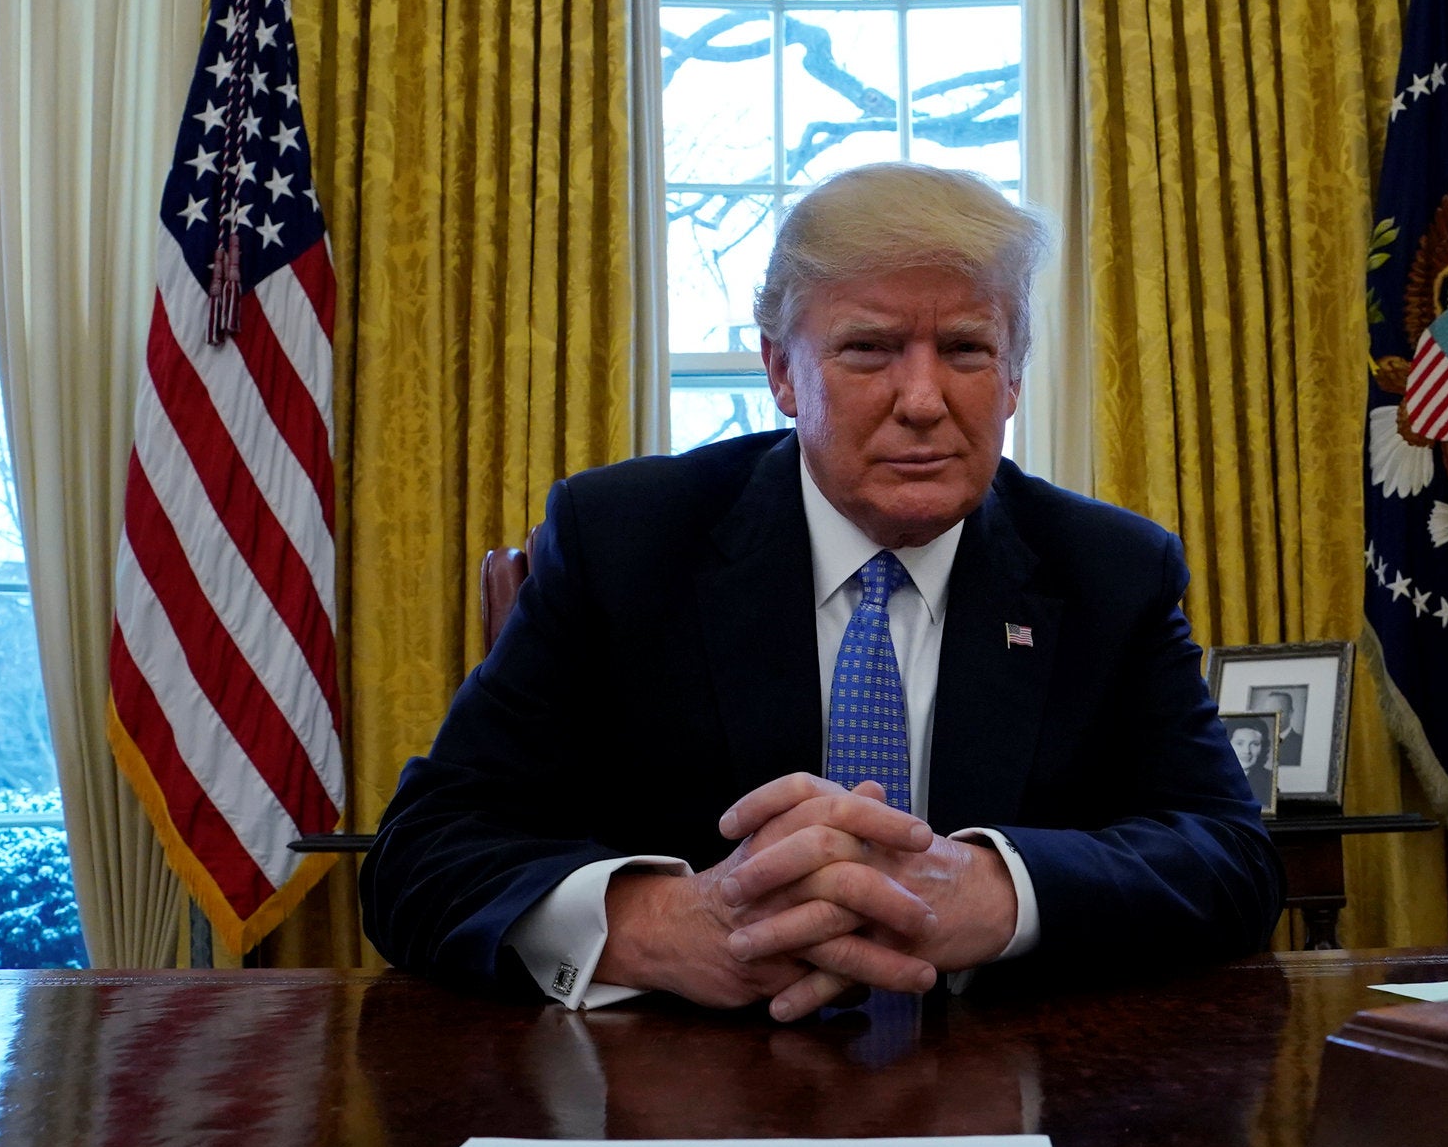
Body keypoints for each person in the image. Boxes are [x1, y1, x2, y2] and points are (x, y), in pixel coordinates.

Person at [360, 163, 1278, 1016]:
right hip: (681, 1107)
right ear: (780, 370)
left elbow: (1232, 858)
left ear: (1011, 379)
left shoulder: (1109, 569)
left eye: (965, 348)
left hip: (1004, 1093)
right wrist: (659, 925)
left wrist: (1005, 892)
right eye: (870, 349)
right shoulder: (624, 542)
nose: (923, 398)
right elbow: (421, 856)